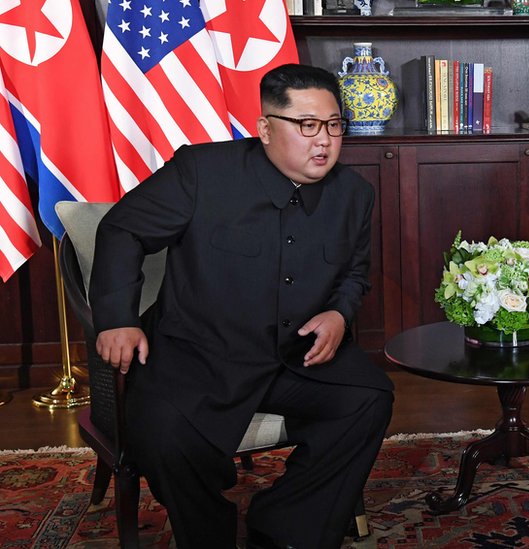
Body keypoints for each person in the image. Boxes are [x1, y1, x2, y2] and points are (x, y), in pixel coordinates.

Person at [89, 64, 394, 549]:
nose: (325, 141)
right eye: (308, 125)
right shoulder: (201, 172)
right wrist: (118, 319)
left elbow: (355, 273)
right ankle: (210, 532)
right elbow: (122, 229)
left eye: (335, 125)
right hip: (198, 354)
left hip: (294, 359)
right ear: (266, 128)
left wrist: (339, 313)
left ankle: (283, 526)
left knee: (370, 398)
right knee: (165, 436)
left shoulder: (355, 194)